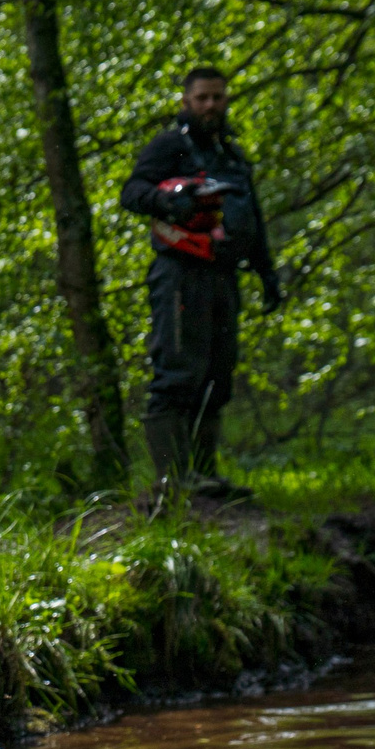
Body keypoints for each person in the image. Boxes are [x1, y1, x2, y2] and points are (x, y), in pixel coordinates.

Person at [119, 67, 282, 495]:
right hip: (178, 274)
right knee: (177, 369)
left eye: (218, 97)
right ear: (186, 102)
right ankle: (171, 479)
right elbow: (131, 192)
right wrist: (169, 200)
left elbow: (253, 218)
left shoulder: (231, 156)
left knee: (217, 372)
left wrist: (267, 273)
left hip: (224, 276)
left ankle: (205, 475)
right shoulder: (169, 146)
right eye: (203, 98)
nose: (211, 105)